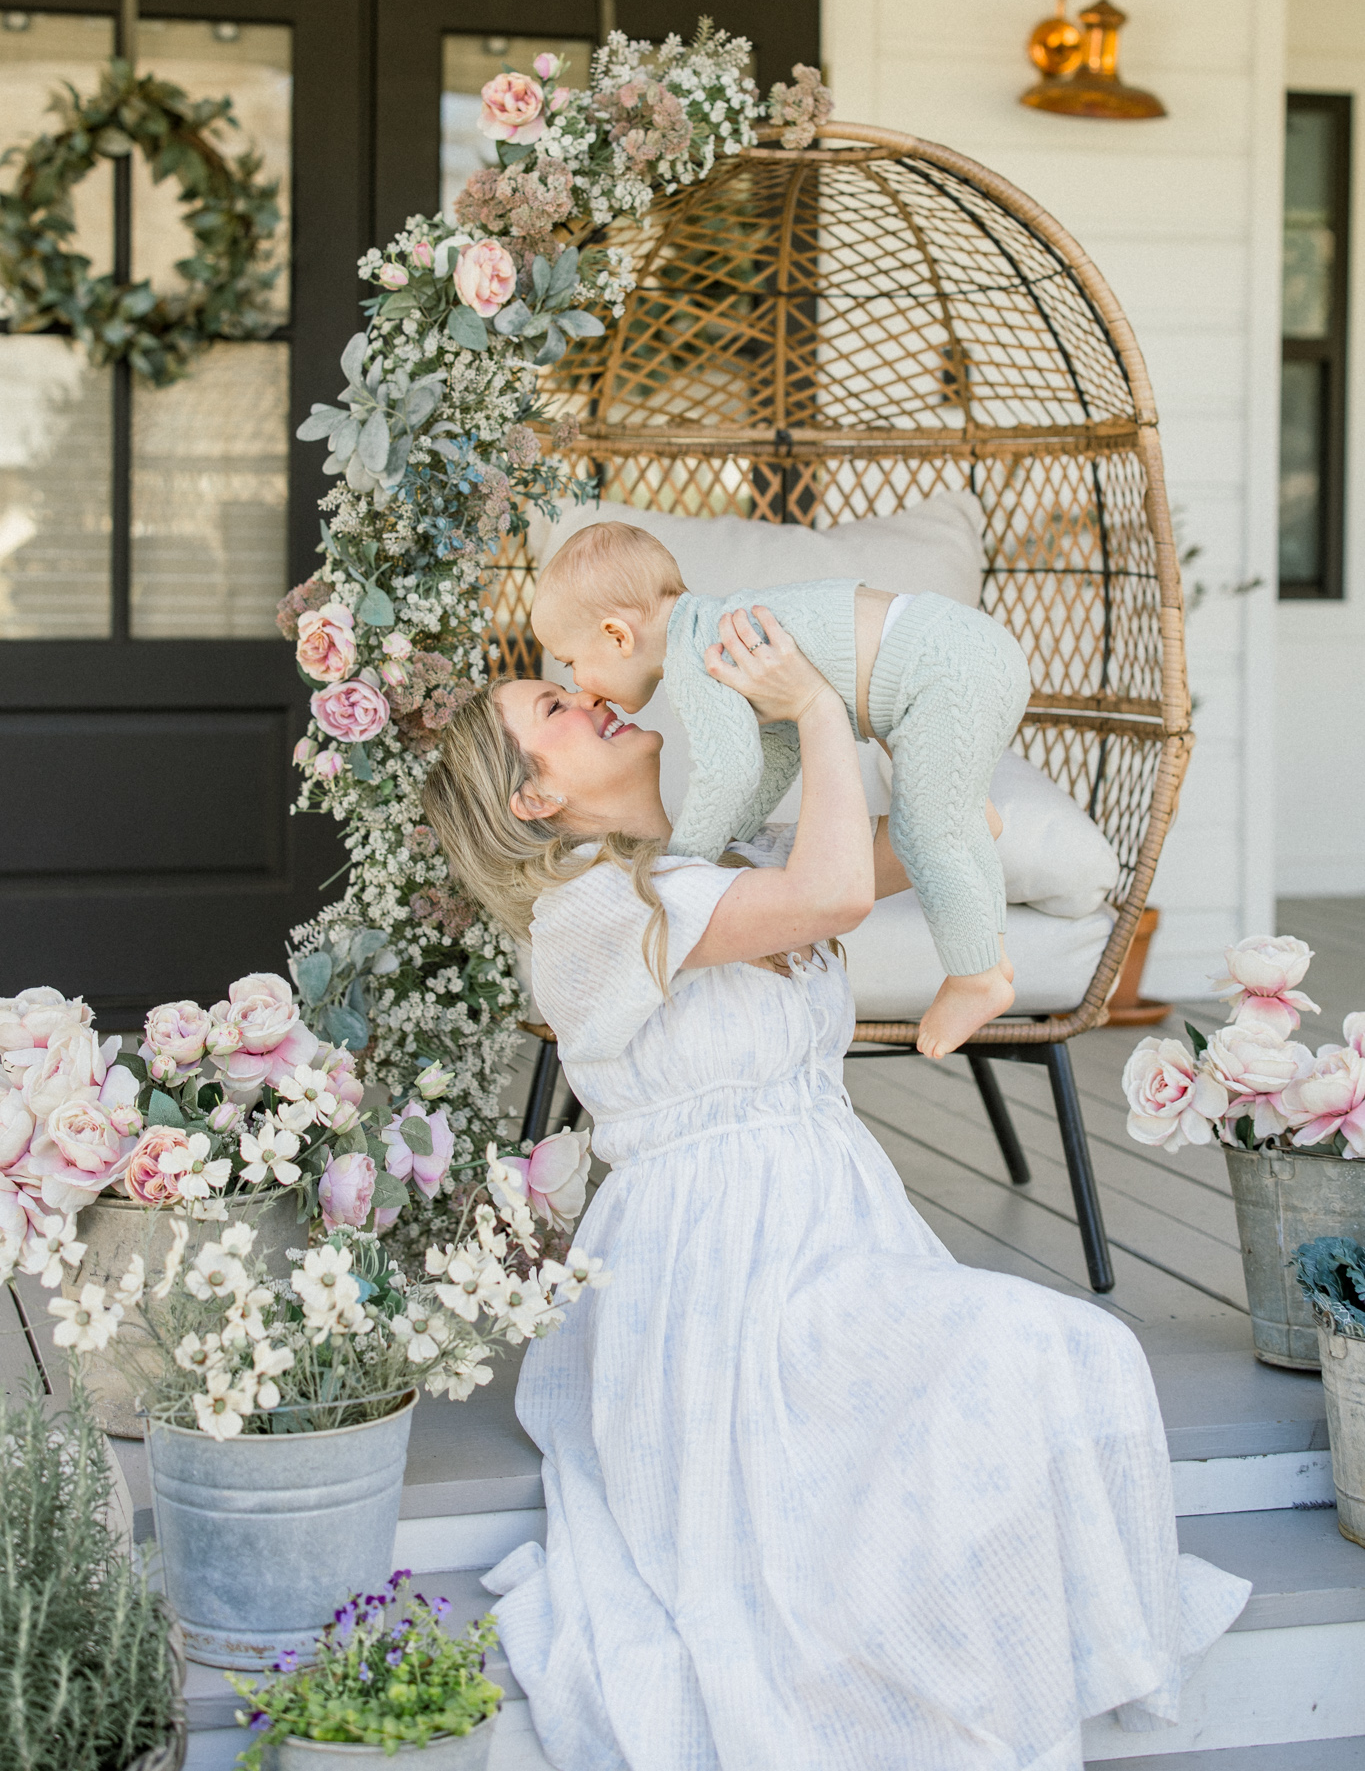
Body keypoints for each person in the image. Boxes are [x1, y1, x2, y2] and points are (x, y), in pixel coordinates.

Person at [422, 608, 1249, 1771]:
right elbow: (837, 894)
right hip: (716, 1276)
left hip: (839, 1224)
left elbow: (922, 834)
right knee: (1022, 1353)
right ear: (532, 798)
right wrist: (810, 707)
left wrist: (916, 699)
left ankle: (999, 1659)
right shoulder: (589, 918)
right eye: (553, 711)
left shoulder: (724, 857)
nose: (585, 693)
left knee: (1074, 1350)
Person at [530, 519, 1029, 1059]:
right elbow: (781, 749)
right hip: (963, 647)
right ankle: (990, 955)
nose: (582, 686)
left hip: (943, 668)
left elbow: (728, 771)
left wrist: (685, 864)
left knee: (927, 833)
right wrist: (741, 832)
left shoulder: (702, 658)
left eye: (572, 664)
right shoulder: (725, 626)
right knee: (944, 827)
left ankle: (974, 977)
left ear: (617, 635)